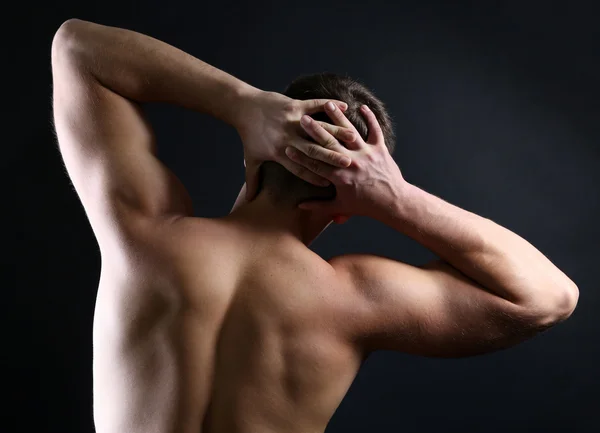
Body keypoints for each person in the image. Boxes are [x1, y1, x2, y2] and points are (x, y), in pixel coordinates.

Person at [51, 19, 579, 433]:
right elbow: (549, 296)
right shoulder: (354, 299)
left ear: (255, 159)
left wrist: (243, 106)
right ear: (346, 207)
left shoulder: (145, 237)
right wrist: (397, 199)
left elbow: (76, 47)